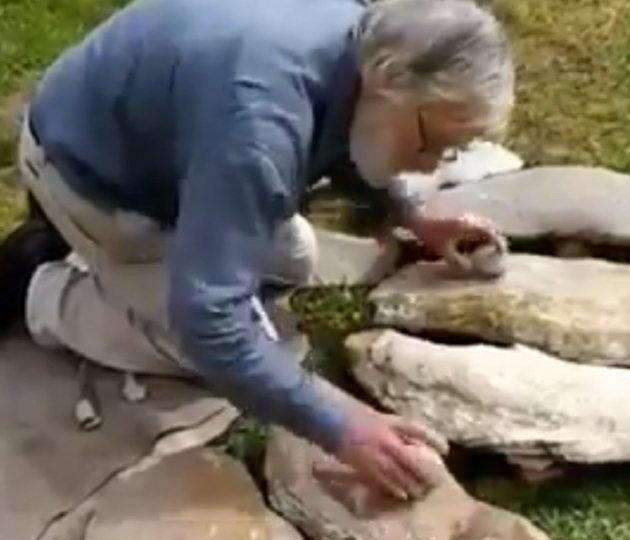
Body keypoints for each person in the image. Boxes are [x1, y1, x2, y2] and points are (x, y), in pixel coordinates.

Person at [2, 0, 513, 500]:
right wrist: (344, 427)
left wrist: (412, 214)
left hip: (169, 156)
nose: (429, 167)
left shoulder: (362, 40)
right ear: (387, 74)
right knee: (198, 347)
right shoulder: (259, 124)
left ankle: (142, 257)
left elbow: (354, 125)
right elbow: (212, 324)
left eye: (449, 152)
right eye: (428, 143)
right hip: (88, 177)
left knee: (295, 260)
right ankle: (43, 290)